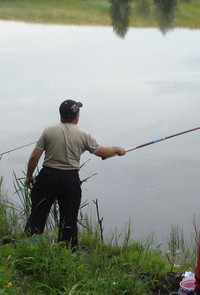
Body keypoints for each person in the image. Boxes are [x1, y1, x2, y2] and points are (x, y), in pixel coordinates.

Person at [24, 99, 125, 247]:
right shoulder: (84, 134)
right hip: (69, 178)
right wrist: (117, 149)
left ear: (61, 115)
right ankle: (67, 249)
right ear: (76, 116)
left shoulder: (48, 131)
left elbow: (34, 157)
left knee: (38, 213)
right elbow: (103, 152)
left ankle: (28, 244)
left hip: (47, 176)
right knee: (69, 217)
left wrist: (29, 176)